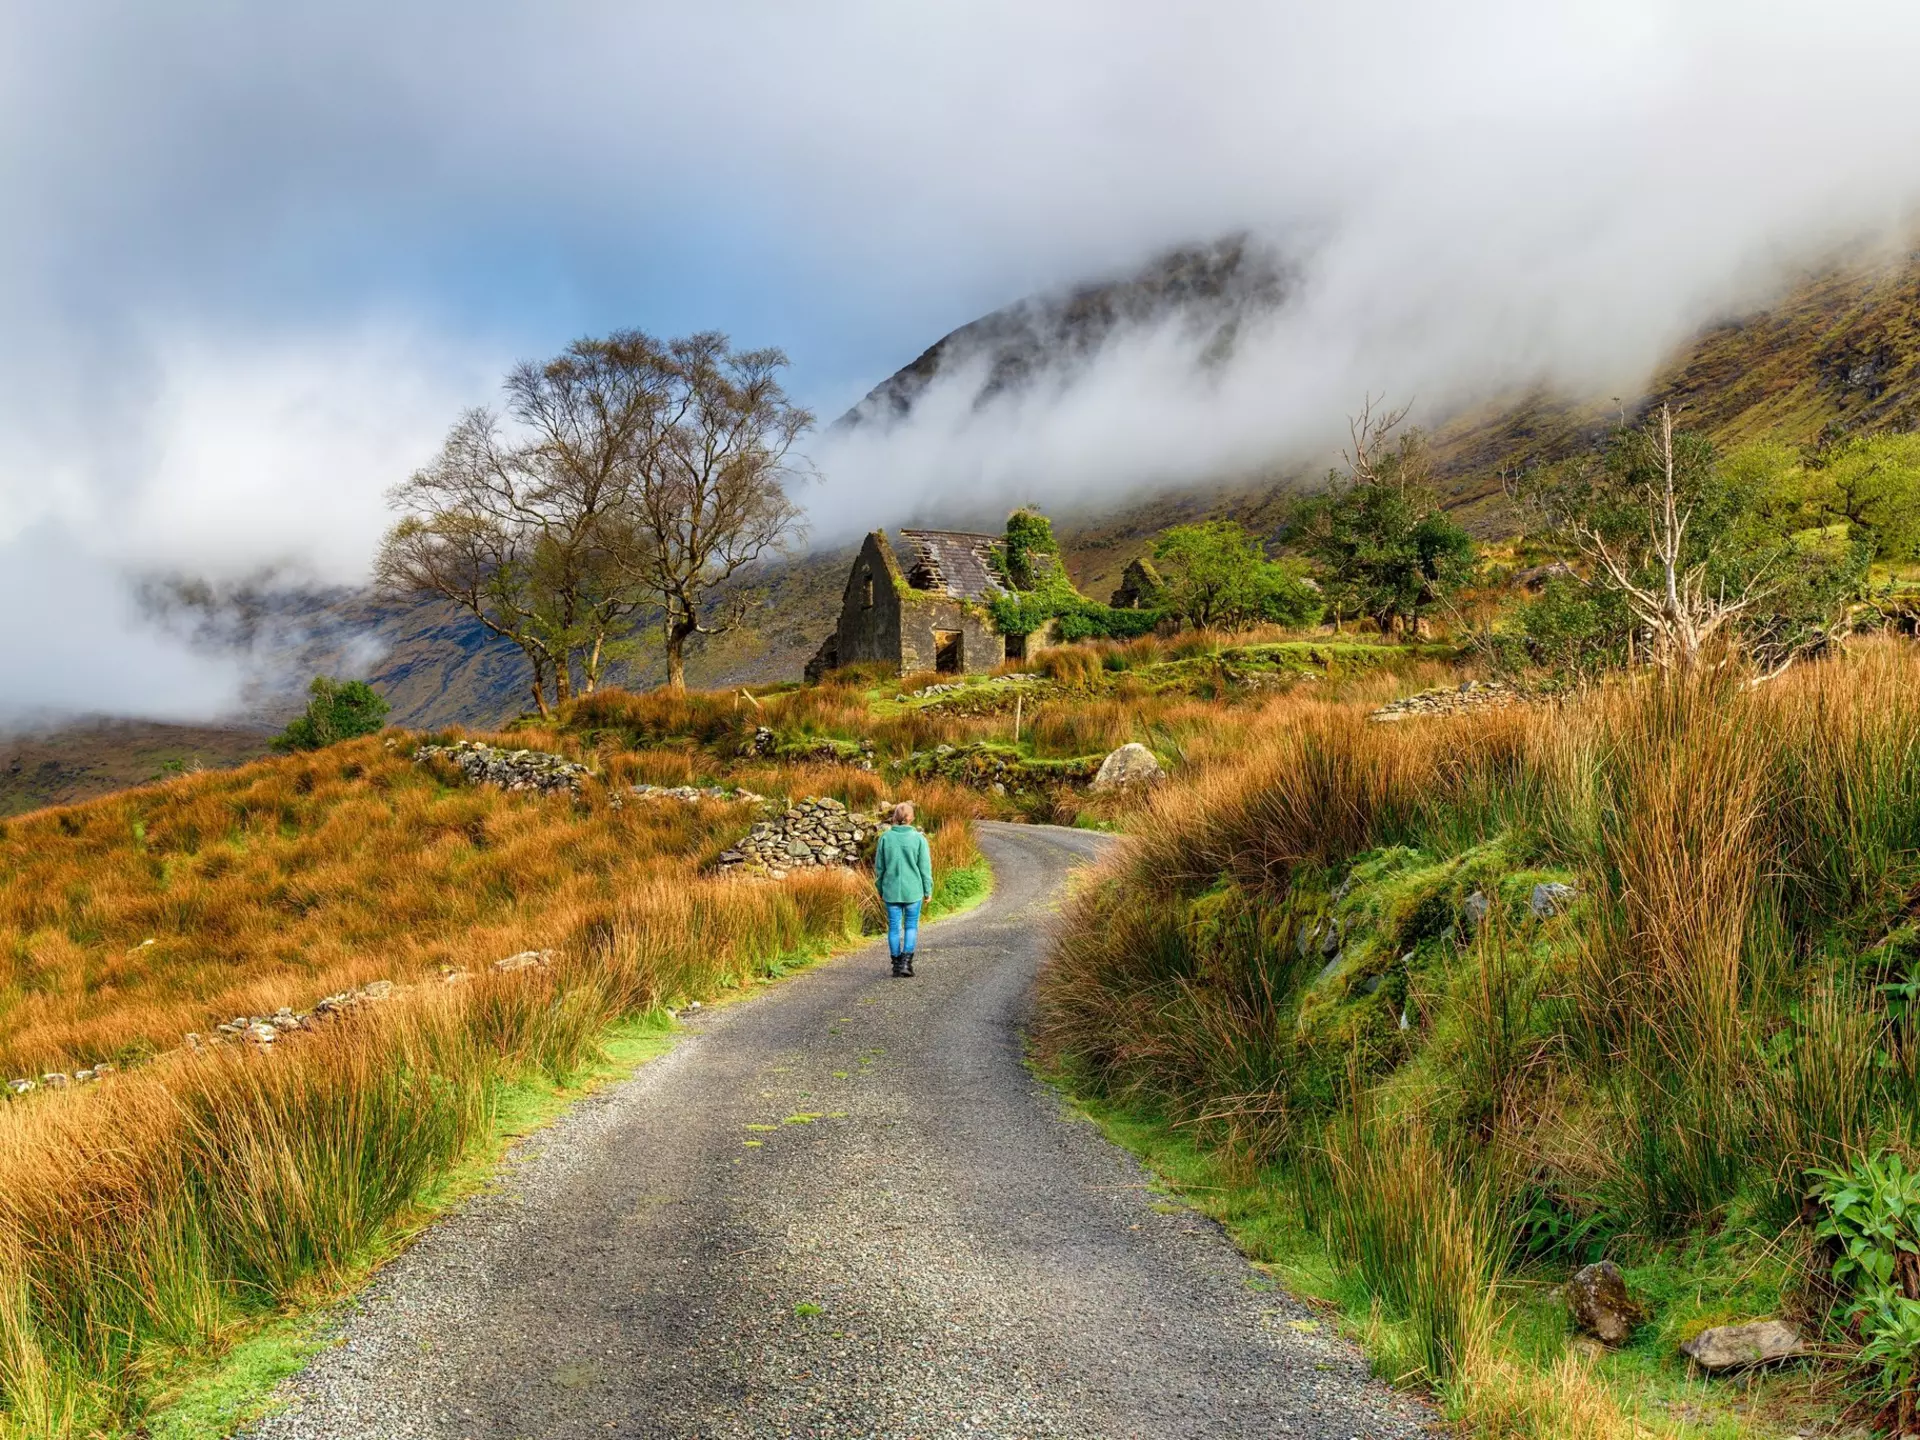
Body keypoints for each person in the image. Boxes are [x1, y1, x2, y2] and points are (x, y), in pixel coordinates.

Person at [872, 800, 934, 977]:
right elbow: (925, 868)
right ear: (910, 818)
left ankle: (896, 965)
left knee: (893, 927)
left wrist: (880, 889)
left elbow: (880, 868)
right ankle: (906, 964)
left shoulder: (885, 838)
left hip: (891, 890)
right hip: (913, 890)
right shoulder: (918, 839)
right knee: (911, 926)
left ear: (895, 818)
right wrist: (928, 890)